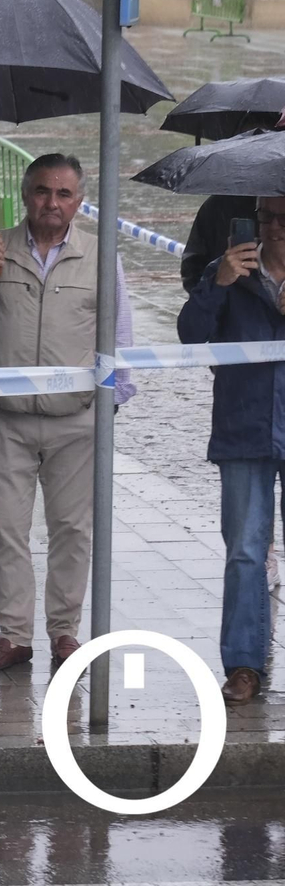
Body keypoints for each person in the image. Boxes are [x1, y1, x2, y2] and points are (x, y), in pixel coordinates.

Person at [0, 155, 133, 673]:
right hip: (6, 419)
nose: (52, 203)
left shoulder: (100, 255)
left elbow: (120, 332)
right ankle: (13, 636)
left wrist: (112, 402)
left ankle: (65, 632)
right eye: (43, 191)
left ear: (80, 201)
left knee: (72, 530)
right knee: (7, 530)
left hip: (75, 421)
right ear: (25, 194)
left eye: (64, 194)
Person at [177, 193, 285, 705]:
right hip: (244, 427)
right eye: (268, 217)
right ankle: (244, 665)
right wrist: (216, 283)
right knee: (244, 550)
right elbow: (191, 335)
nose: (278, 228)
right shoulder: (230, 270)